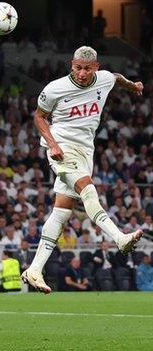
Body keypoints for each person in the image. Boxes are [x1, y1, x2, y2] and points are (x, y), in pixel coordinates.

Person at [22, 46, 144, 294]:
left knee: (62, 212)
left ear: (96, 67)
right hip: (62, 149)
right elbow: (39, 117)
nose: (82, 73)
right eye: (78, 67)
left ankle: (34, 270)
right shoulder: (55, 88)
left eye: (87, 68)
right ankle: (119, 238)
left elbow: (117, 78)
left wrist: (133, 86)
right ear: (72, 65)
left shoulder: (104, 79)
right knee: (88, 190)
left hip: (85, 151)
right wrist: (53, 144)